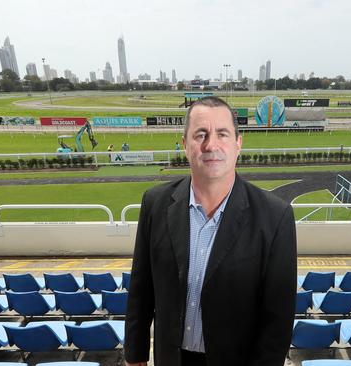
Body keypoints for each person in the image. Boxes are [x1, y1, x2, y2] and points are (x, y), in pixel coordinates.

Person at [125, 96, 297, 366]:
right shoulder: (155, 203)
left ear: (238, 143)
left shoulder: (276, 216)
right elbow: (140, 289)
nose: (211, 145)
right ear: (184, 144)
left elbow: (278, 318)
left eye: (222, 134)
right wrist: (134, 355)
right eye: (200, 134)